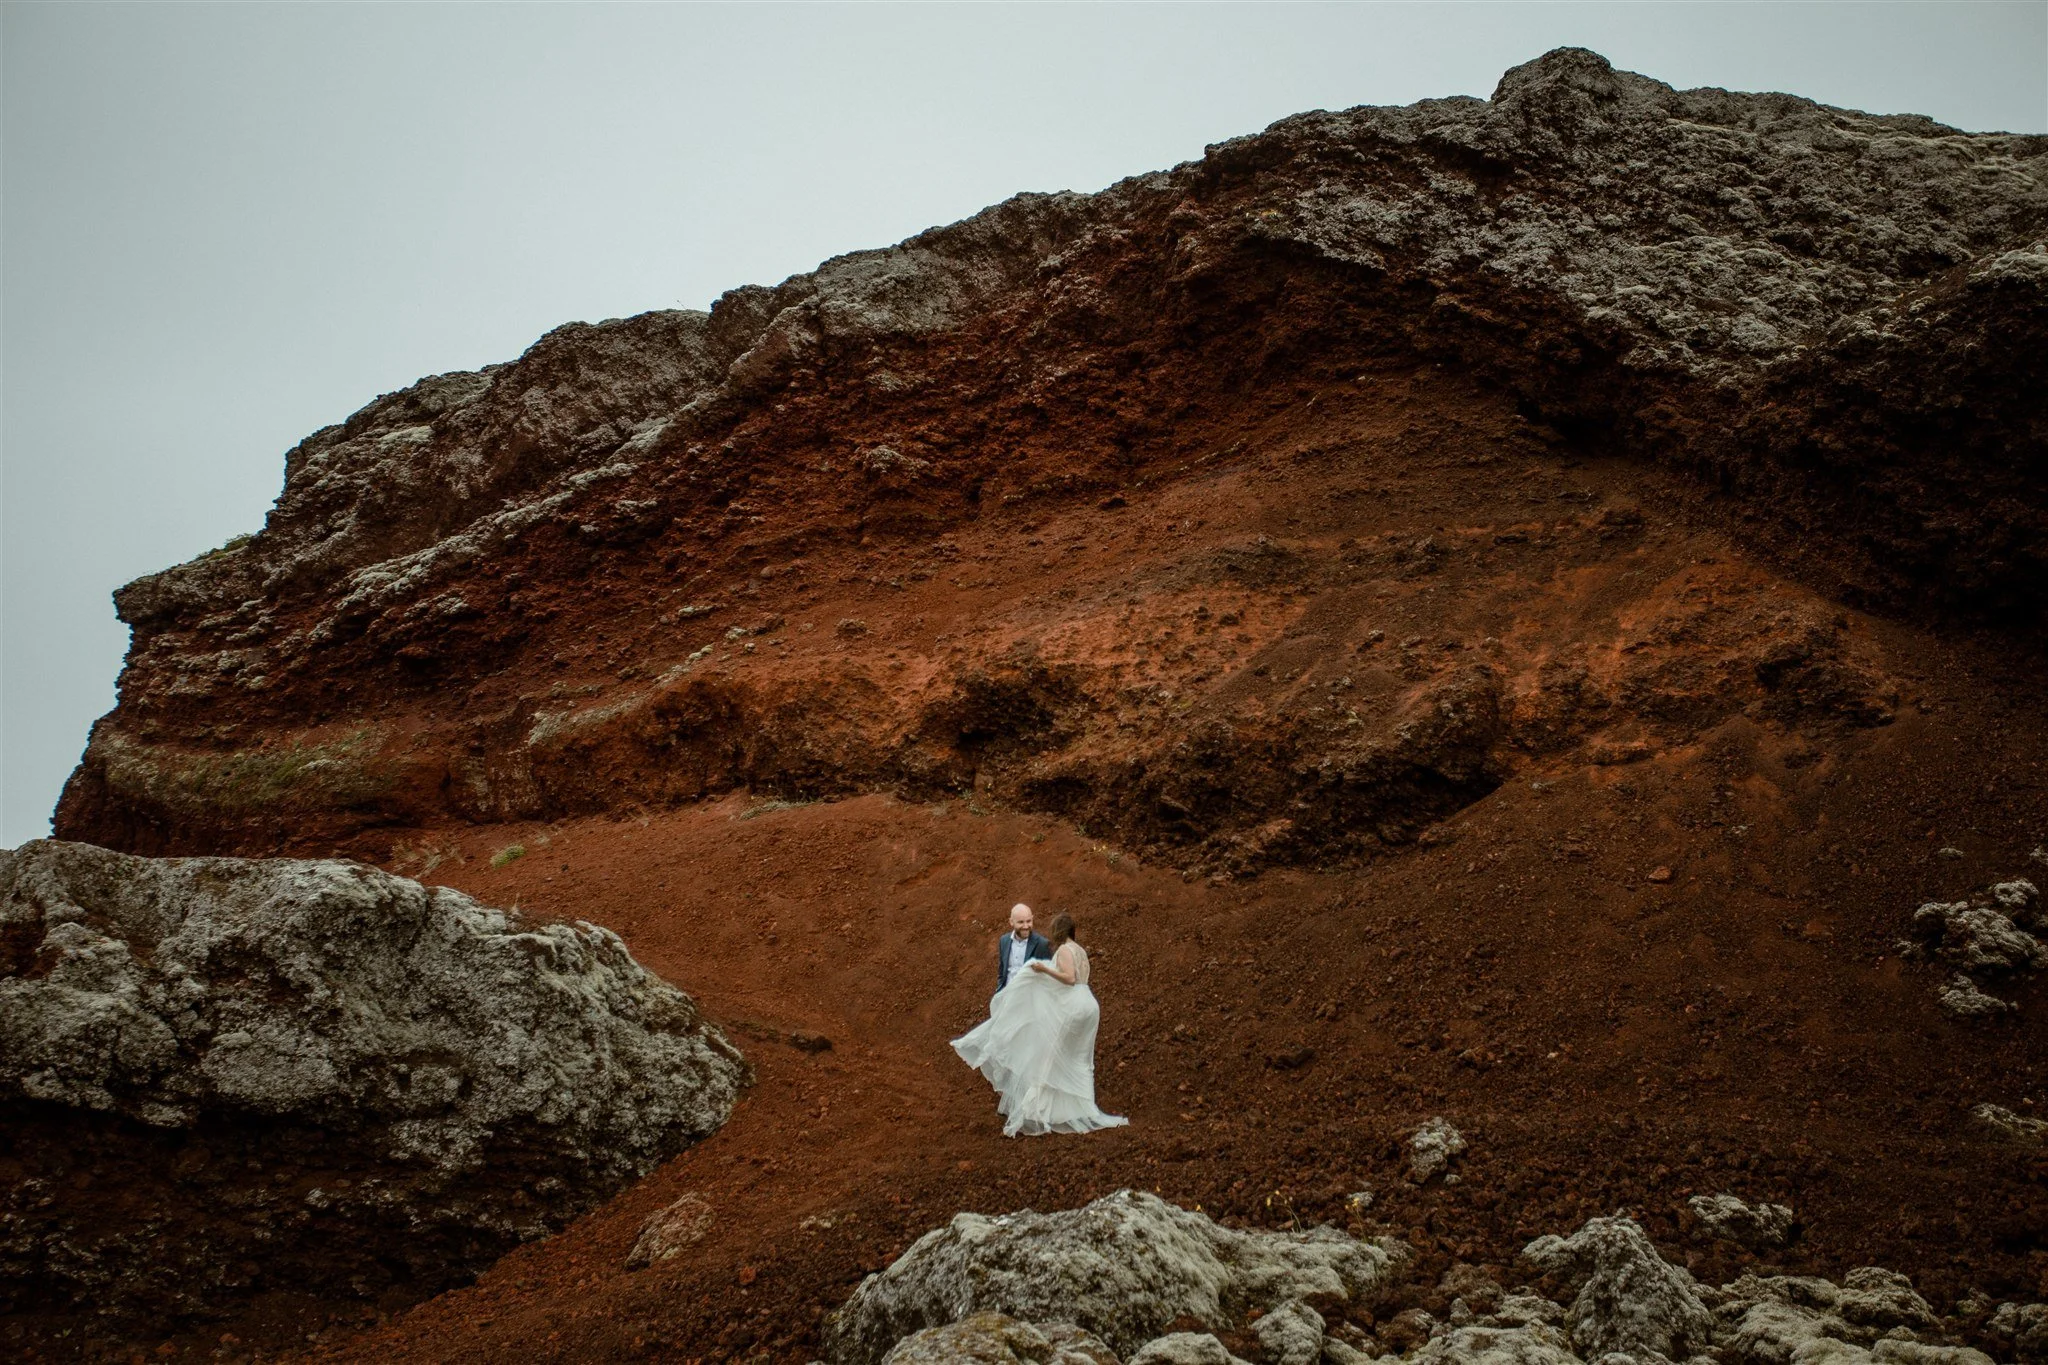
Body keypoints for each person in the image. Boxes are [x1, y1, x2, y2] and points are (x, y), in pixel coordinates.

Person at [951, 911, 1128, 1138]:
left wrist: (1043, 969)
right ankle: (1079, 1108)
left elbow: (1070, 978)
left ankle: (1039, 1109)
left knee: (1050, 1054)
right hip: (1090, 1005)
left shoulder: (1064, 949)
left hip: (1074, 1006)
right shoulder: (1080, 950)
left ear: (1058, 931)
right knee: (1078, 1059)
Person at [997, 902, 1052, 989]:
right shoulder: (1004, 941)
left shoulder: (1042, 944)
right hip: (1007, 996)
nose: (1026, 926)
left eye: (1029, 921)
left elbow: (1048, 977)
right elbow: (1002, 972)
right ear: (1011, 922)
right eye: (1021, 922)